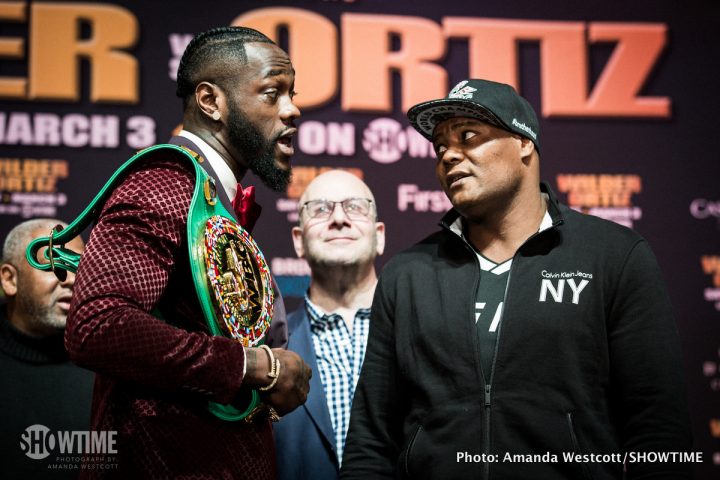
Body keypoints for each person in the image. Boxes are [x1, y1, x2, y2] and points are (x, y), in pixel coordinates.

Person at [341, 79, 693, 479]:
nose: (449, 156)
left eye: (468, 136)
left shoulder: (613, 256)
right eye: (440, 147)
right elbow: (371, 440)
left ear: (524, 142)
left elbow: (659, 433)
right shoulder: (407, 274)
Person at [65, 27, 311, 479]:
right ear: (211, 101)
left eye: (292, 93)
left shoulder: (209, 196)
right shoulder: (164, 181)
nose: (292, 109)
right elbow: (97, 324)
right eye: (273, 92)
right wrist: (251, 365)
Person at [273, 170, 385, 480]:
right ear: (298, 241)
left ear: (381, 236)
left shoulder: (422, 336)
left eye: (355, 207)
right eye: (320, 209)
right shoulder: (270, 349)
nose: (338, 218)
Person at [0, 218, 93, 479]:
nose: (71, 280)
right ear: (9, 279)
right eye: (53, 264)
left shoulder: (109, 367)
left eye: (78, 265)